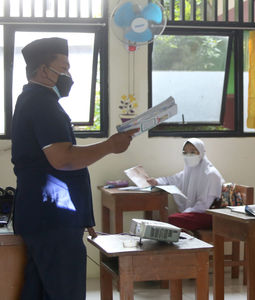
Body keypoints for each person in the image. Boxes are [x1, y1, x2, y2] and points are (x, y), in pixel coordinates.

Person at [11, 37, 137, 300]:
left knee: (41, 291)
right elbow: (63, 159)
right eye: (64, 67)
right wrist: (110, 146)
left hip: (47, 217)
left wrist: (83, 218)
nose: (68, 75)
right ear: (45, 70)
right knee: (64, 292)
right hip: (52, 220)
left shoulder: (35, 101)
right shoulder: (41, 104)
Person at [147, 138, 224, 231]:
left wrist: (185, 213)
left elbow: (204, 205)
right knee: (165, 221)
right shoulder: (189, 171)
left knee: (168, 221)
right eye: (185, 152)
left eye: (192, 152)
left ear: (201, 152)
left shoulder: (211, 174)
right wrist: (156, 181)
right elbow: (171, 179)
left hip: (209, 215)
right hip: (194, 214)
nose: (188, 155)